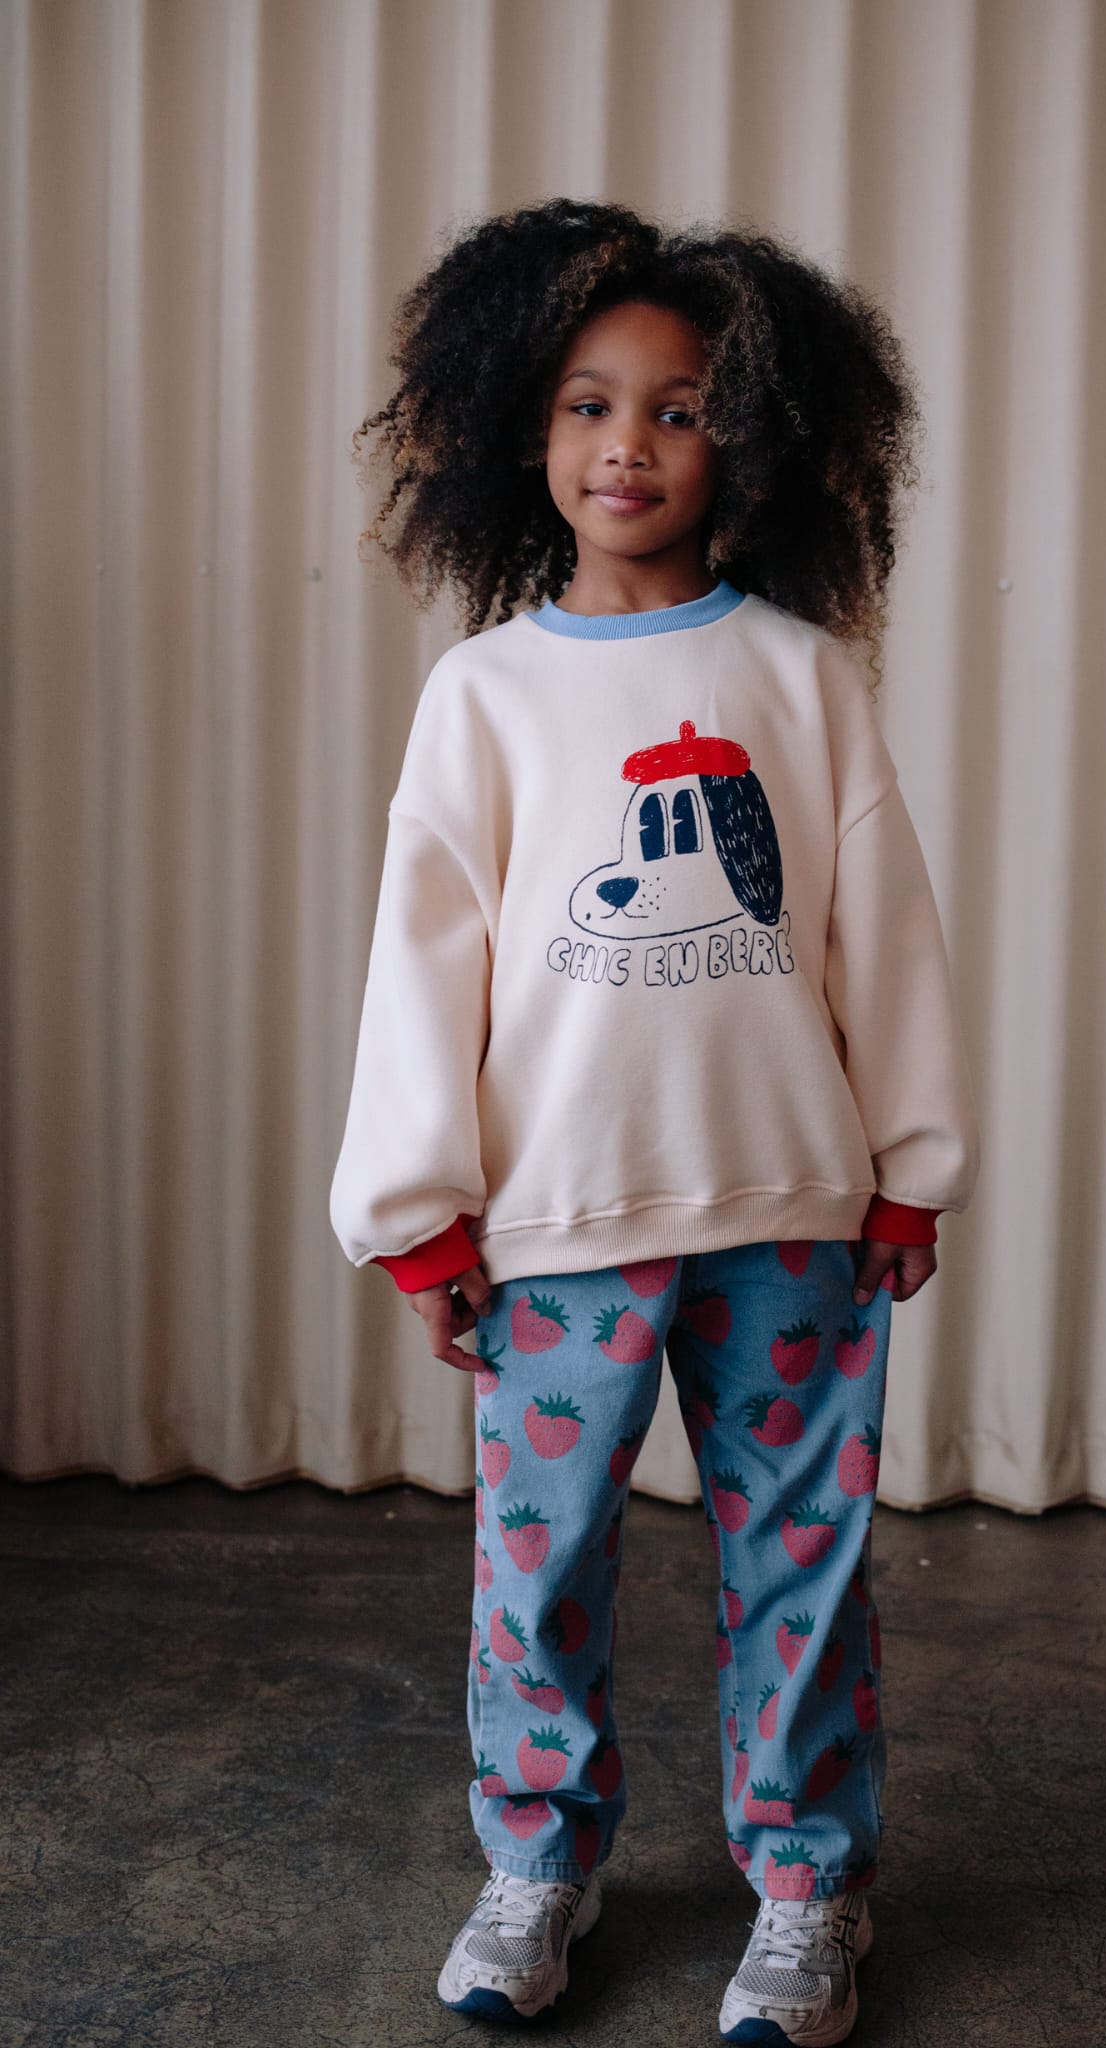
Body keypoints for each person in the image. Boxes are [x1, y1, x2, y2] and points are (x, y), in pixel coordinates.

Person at [329, 196, 980, 2045]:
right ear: (518, 431)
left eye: (679, 409)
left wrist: (910, 1168)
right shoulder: (486, 693)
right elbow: (424, 964)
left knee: (803, 1562)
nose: (629, 445)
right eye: (587, 404)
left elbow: (880, 935)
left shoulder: (796, 673)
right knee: (536, 1568)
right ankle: (538, 1862)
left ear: (748, 440)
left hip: (791, 1209)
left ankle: (808, 1887)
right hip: (555, 1223)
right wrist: (418, 1213)